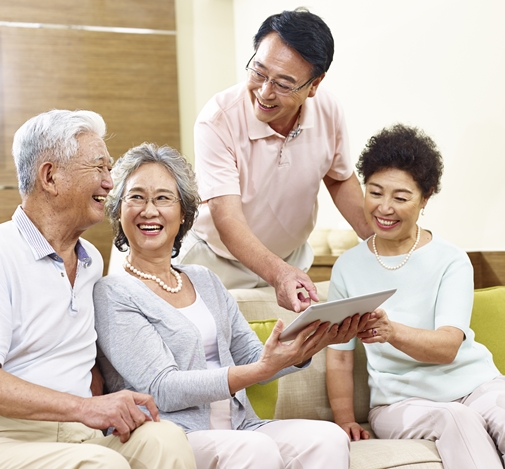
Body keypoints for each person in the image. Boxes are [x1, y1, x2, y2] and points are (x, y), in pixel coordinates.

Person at [0, 110, 196, 469]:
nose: (110, 183)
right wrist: (84, 408)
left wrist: (107, 402)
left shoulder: (91, 261)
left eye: (109, 169)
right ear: (50, 176)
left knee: (166, 439)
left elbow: (82, 358)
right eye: (98, 168)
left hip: (68, 433)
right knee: (101, 465)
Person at [94, 142, 375, 469]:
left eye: (163, 198)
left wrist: (312, 342)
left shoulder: (205, 280)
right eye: (136, 197)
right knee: (254, 449)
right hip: (174, 435)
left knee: (327, 438)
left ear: (183, 212)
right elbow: (162, 388)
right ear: (117, 209)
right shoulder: (113, 291)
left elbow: (253, 357)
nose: (149, 210)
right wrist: (260, 369)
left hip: (241, 426)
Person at [325, 124, 505, 469]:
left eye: (401, 197)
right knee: (455, 418)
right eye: (375, 192)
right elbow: (340, 357)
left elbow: (447, 347)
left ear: (425, 197)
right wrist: (345, 417)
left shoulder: (451, 259)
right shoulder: (347, 268)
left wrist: (392, 332)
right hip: (398, 403)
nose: (384, 208)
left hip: (475, 385)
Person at [175, 8, 372, 313]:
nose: (265, 92)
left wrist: (379, 240)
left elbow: (338, 177)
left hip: (289, 259)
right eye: (258, 72)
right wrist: (277, 273)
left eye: (283, 84)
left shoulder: (328, 110)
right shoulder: (218, 119)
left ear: (314, 85)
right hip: (217, 260)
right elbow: (227, 218)